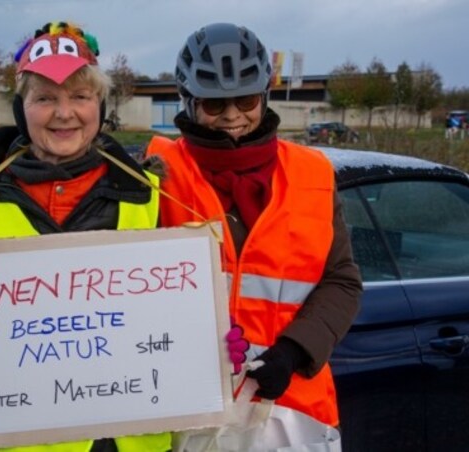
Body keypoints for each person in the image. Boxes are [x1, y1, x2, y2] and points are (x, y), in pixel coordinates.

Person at [0, 21, 180, 452]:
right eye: (45, 97)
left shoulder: (146, 193)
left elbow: (176, 307)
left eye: (80, 97)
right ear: (21, 108)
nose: (64, 113)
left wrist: (211, 345)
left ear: (99, 106)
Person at [144, 23, 362, 451]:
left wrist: (294, 352)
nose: (231, 117)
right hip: (188, 409)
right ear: (189, 102)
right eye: (214, 104)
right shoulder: (155, 174)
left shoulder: (313, 174)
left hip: (293, 408)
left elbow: (342, 280)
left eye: (245, 100)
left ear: (263, 97)